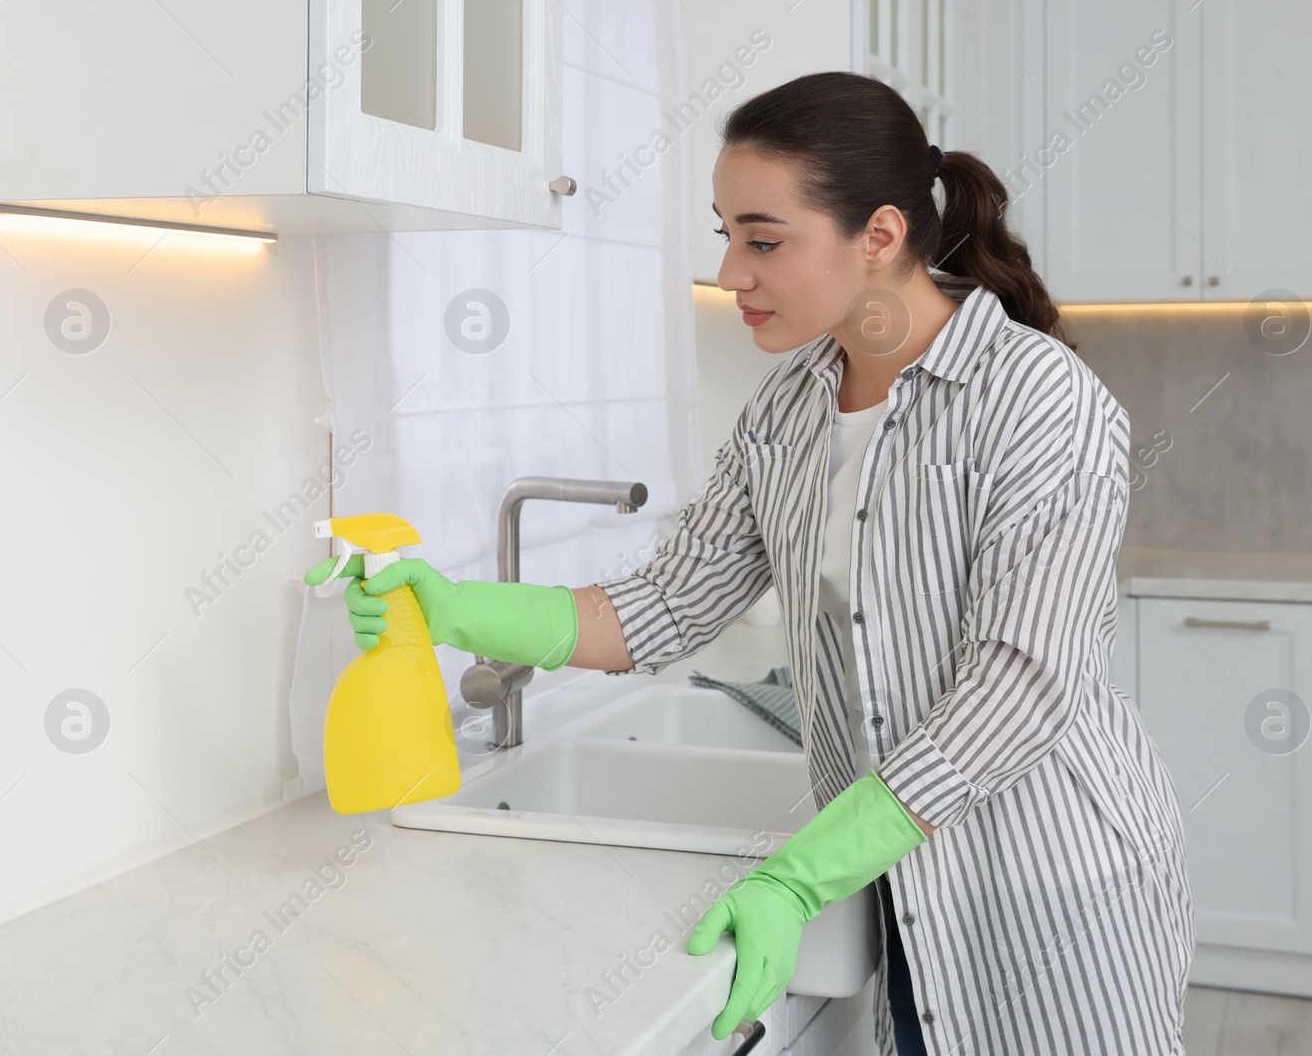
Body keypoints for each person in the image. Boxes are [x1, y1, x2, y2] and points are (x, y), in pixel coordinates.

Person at [307, 71, 1194, 1056]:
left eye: (762, 239)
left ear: (882, 236)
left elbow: (1019, 687)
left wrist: (798, 875)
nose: (730, 270)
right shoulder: (784, 410)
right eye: (725, 232)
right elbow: (665, 606)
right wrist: (453, 605)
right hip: (900, 885)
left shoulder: (1036, 399)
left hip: (1047, 891)